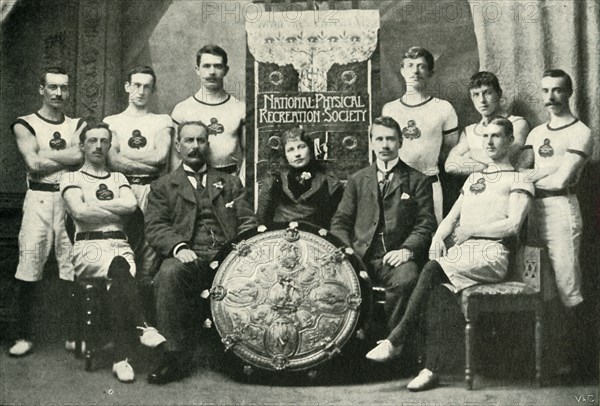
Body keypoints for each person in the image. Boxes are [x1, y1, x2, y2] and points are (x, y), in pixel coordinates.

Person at [365, 117, 534, 391]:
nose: (489, 142)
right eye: (485, 136)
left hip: (492, 254)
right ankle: (432, 369)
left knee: (431, 270)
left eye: (497, 136)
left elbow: (513, 225)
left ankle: (396, 339)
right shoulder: (476, 178)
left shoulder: (518, 179)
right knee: (435, 290)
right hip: (466, 254)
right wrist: (438, 238)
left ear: (511, 141)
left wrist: (471, 230)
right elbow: (451, 217)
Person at [144, 121, 257, 384]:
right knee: (169, 273)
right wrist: (178, 247)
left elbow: (247, 220)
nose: (195, 146)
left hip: (229, 257)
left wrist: (242, 251)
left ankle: (239, 354)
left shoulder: (229, 182)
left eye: (201, 140)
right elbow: (155, 225)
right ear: (178, 145)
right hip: (189, 256)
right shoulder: (164, 185)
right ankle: (173, 357)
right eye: (189, 140)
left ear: (208, 144)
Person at [60, 123, 166, 383]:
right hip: (89, 248)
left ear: (110, 146)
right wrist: (110, 209)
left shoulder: (118, 178)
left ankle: (122, 360)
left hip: (121, 246)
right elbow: (79, 213)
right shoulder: (71, 178)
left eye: (104, 141)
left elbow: (131, 206)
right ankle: (140, 331)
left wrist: (91, 204)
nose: (98, 146)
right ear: (82, 145)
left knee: (120, 277)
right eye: (92, 140)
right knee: (119, 270)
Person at [330, 116, 437, 356]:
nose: (385, 145)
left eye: (390, 139)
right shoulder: (358, 180)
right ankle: (350, 353)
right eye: (379, 139)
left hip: (396, 257)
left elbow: (426, 223)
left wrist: (407, 250)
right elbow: (340, 222)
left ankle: (394, 345)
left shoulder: (418, 180)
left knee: (407, 279)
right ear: (371, 143)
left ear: (400, 142)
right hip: (360, 256)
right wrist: (348, 254)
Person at [8, 67, 86, 357]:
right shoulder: (24, 123)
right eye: (52, 87)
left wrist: (44, 154)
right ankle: (23, 335)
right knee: (29, 262)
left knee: (72, 265)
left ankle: (72, 335)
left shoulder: (77, 123)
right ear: (41, 89)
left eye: (63, 88)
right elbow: (33, 165)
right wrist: (61, 157)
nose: (58, 93)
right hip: (38, 200)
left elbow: (80, 156)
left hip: (69, 198)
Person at [518, 69, 593, 309]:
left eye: (558, 90)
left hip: (561, 210)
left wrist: (531, 178)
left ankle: (576, 345)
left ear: (569, 92)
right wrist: (536, 175)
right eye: (546, 90)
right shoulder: (536, 132)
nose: (551, 96)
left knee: (566, 285)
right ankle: (544, 344)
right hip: (531, 212)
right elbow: (522, 171)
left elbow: (561, 180)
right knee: (535, 281)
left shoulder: (581, 132)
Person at [104, 66, 173, 285]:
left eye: (147, 87)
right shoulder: (112, 122)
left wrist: (126, 158)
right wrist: (141, 160)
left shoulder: (162, 120)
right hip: (120, 188)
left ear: (153, 90)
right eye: (136, 85)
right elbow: (112, 160)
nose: (141, 91)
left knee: (150, 245)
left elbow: (160, 157)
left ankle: (145, 305)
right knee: (119, 243)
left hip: (152, 188)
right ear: (127, 86)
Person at [382, 46, 458, 224]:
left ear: (431, 72)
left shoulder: (443, 108)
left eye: (421, 66)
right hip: (397, 184)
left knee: (430, 238)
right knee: (396, 237)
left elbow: (450, 150)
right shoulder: (390, 109)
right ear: (402, 71)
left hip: (430, 182)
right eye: (410, 65)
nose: (415, 71)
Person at [171, 45, 245, 180]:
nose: (212, 72)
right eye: (206, 66)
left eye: (218, 66)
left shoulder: (239, 109)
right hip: (193, 181)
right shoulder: (182, 109)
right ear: (197, 70)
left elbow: (249, 156)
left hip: (229, 180)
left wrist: (240, 185)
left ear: (226, 70)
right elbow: (175, 157)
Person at [256, 127, 343, 229]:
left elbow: (338, 223)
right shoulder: (273, 181)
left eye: (301, 147)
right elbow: (261, 221)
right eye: (290, 150)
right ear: (285, 155)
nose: (297, 154)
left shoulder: (329, 182)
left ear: (310, 150)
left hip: (316, 240)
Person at [445, 71, 530, 175]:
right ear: (472, 98)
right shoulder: (470, 131)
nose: (482, 100)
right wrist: (484, 166)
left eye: (487, 93)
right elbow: (450, 165)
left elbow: (505, 158)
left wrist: (471, 153)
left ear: (499, 94)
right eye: (476, 95)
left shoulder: (517, 123)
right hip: (477, 187)